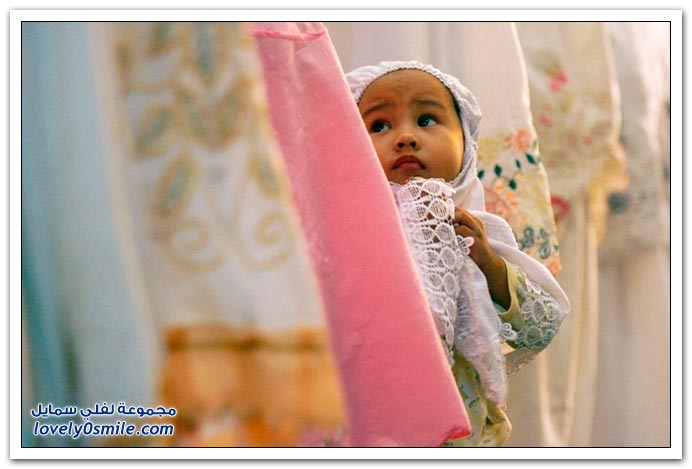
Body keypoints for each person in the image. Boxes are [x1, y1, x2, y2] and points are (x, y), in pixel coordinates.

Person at [345, 61, 570, 446]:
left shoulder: (477, 231)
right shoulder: (344, 231)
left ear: (466, 142)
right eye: (379, 126)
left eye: (426, 120)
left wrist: (489, 263)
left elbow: (542, 324)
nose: (405, 137)